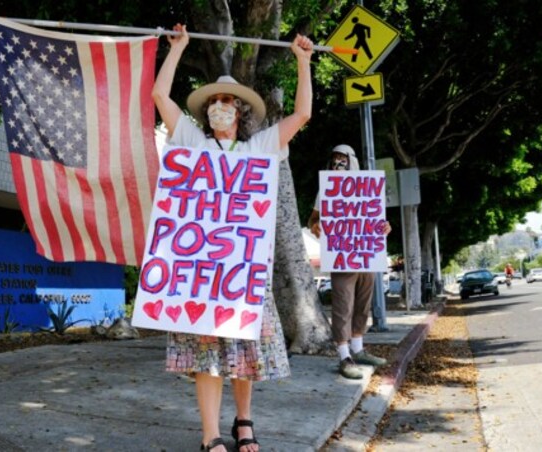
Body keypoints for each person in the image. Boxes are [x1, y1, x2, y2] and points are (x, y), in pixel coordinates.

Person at [151, 24, 313, 452]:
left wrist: (303, 62)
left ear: (240, 112)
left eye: (228, 102)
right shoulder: (191, 142)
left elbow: (301, 117)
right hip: (202, 274)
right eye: (215, 102)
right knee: (207, 354)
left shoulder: (258, 149)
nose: (221, 107)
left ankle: (244, 423)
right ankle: (210, 437)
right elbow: (159, 98)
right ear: (206, 112)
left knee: (245, 352)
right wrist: (177, 50)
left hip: (244, 271)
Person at [307, 144, 390, 380]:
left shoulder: (368, 188)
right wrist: (316, 226)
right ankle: (344, 355)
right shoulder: (326, 190)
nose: (337, 164)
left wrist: (385, 227)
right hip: (342, 256)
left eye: (342, 159)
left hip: (366, 256)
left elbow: (378, 220)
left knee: (363, 304)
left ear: (352, 161)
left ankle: (358, 348)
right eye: (334, 159)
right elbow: (313, 218)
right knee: (343, 305)